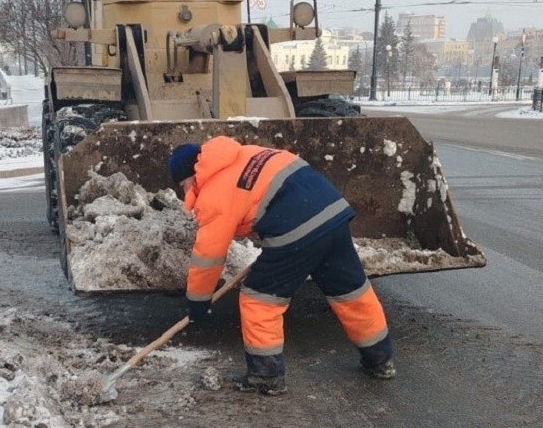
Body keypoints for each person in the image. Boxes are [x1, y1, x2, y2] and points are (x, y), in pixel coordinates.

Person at [167, 136, 395, 397]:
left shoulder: (213, 191)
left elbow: (209, 254)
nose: (185, 192)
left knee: (259, 298)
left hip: (297, 232)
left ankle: (266, 376)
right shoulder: (248, 154)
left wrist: (198, 300)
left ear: (191, 176)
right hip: (333, 214)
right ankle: (380, 360)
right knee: (350, 291)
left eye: (183, 185)